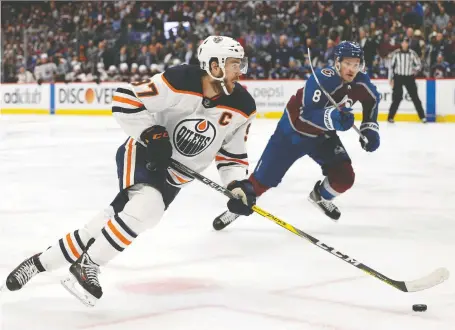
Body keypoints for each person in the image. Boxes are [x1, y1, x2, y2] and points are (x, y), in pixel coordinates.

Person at [3, 36, 257, 307]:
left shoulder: (243, 106)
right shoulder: (180, 79)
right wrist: (151, 133)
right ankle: (88, 264)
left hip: (175, 177)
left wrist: (237, 185)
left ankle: (40, 262)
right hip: (145, 154)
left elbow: (232, 157)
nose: (239, 70)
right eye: (234, 64)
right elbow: (125, 97)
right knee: (149, 207)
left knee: (110, 221)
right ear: (214, 65)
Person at [214, 41, 380, 229]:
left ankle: (320, 196)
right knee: (260, 182)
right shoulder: (323, 79)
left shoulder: (360, 81)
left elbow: (373, 99)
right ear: (338, 62)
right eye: (348, 63)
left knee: (344, 177)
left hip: (322, 136)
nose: (352, 69)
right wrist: (333, 118)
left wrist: (369, 126)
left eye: (356, 64)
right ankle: (235, 211)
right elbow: (305, 115)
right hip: (292, 134)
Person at [387, 38, 426, 123]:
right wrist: (390, 79)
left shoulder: (412, 53)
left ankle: (422, 117)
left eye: (406, 43)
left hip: (409, 77)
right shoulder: (396, 53)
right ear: (401, 43)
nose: (404, 44)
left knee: (415, 97)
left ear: (408, 44)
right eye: (403, 43)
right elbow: (391, 67)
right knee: (397, 98)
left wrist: (414, 69)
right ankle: (390, 117)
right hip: (398, 77)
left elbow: (419, 64)